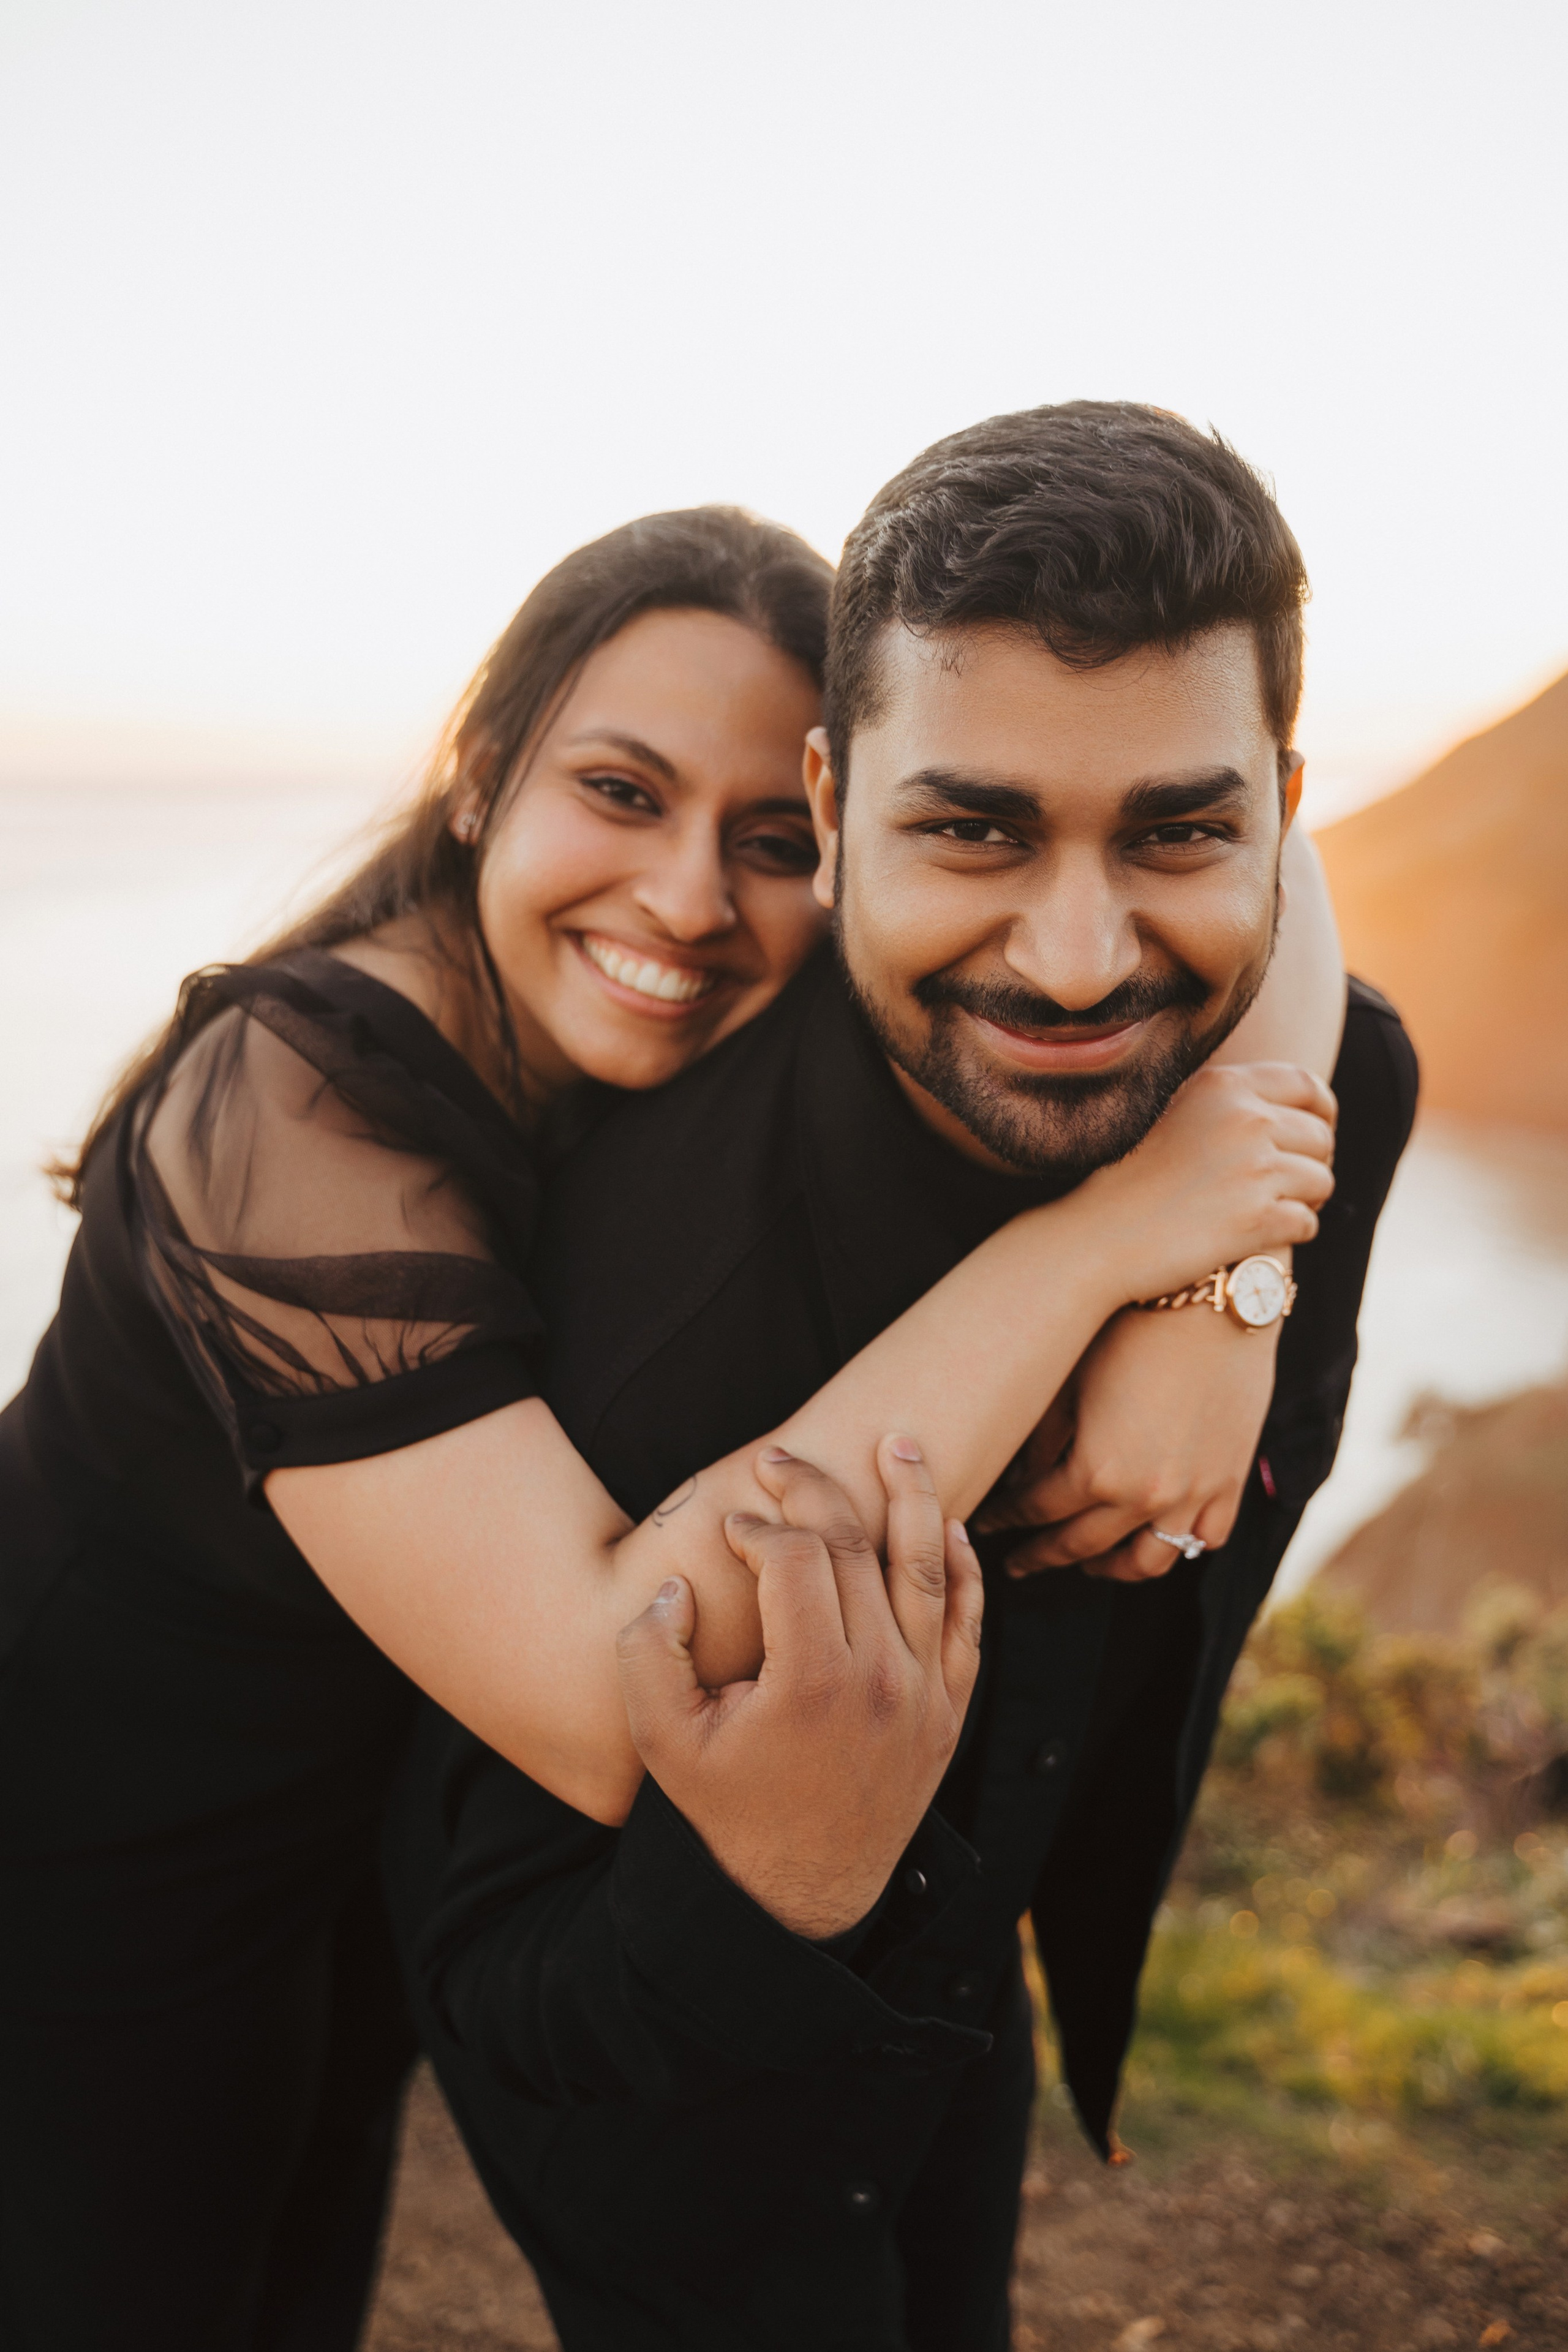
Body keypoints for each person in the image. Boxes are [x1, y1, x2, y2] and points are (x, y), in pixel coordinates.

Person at [0, 497, 1338, 2351]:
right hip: (91, 1851)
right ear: (481, 780)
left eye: (772, 840)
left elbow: (1277, 858)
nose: (693, 897)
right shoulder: (290, 1103)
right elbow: (598, 1683)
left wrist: (1223, 1307)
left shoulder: (631, 1064)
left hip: (354, 1831)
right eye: (619, 794)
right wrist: (1117, 1240)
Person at [385, 403, 1420, 2352]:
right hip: (674, 2129)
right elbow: (498, 1973)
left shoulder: (1327, 1086)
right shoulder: (654, 1282)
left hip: (982, 1993)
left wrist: (1229, 1298)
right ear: (835, 793)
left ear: (1281, 804)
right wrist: (777, 1874)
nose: (1078, 958)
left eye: (1181, 828)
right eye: (975, 827)